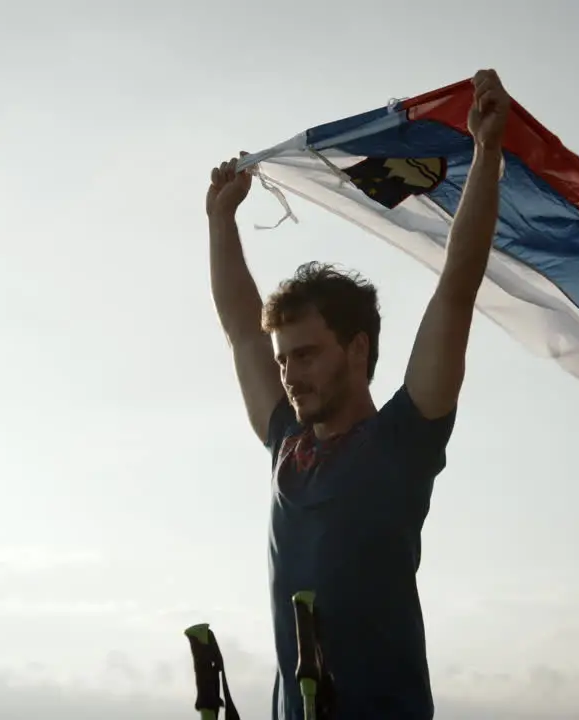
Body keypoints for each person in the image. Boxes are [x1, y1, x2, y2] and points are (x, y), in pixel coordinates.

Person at [205, 69, 510, 720]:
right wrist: (220, 220)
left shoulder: (403, 439)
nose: (289, 372)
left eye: (307, 354)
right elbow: (239, 327)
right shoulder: (284, 441)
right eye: (285, 358)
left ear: (358, 350)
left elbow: (457, 285)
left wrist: (486, 154)